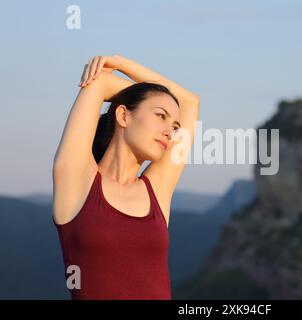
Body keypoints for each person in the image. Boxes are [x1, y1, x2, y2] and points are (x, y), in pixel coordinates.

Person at [52, 55, 200, 299]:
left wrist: (121, 64)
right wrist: (139, 90)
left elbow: (190, 102)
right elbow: (100, 84)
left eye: (175, 126)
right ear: (123, 115)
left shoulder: (157, 189)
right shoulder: (77, 179)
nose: (169, 132)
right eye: (161, 116)